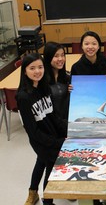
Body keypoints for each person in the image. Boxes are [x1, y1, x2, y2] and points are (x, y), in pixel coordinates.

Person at [16, 53, 66, 205]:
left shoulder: (45, 88)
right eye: (32, 68)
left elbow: (54, 117)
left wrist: (69, 129)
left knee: (41, 162)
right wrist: (58, 143)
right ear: (24, 71)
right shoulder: (23, 97)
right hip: (42, 141)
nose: (37, 71)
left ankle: (32, 192)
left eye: (40, 67)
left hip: (52, 136)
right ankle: (48, 202)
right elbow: (33, 132)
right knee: (51, 172)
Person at [43, 41, 72, 121]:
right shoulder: (42, 80)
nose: (60, 59)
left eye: (62, 55)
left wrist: (71, 92)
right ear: (48, 58)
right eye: (56, 56)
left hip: (67, 120)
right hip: (51, 123)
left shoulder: (67, 77)